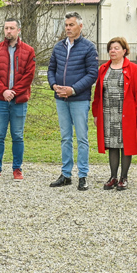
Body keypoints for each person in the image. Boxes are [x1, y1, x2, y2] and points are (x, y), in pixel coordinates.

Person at [47, 12, 99, 190]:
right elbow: (51, 69)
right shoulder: (58, 47)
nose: (68, 28)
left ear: (80, 26)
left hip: (79, 99)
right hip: (61, 99)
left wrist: (73, 89)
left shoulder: (88, 48)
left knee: (82, 138)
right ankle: (66, 174)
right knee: (65, 137)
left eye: (71, 25)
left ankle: (83, 175)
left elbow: (92, 74)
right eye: (66, 25)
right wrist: (54, 85)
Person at [92, 37, 137, 191]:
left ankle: (124, 178)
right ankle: (113, 177)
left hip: (127, 113)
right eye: (110, 48)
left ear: (124, 51)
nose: (112, 51)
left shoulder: (134, 69)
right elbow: (97, 93)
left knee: (126, 145)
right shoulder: (103, 68)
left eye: (116, 48)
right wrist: (96, 114)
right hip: (108, 113)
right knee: (112, 144)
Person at [0, 19, 36, 181]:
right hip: (0, 100)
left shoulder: (28, 51)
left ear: (18, 30)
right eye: (6, 28)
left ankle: (17, 169)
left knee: (17, 136)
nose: (9, 31)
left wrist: (13, 92)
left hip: (19, 101)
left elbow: (29, 75)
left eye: (12, 28)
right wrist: (4, 91)